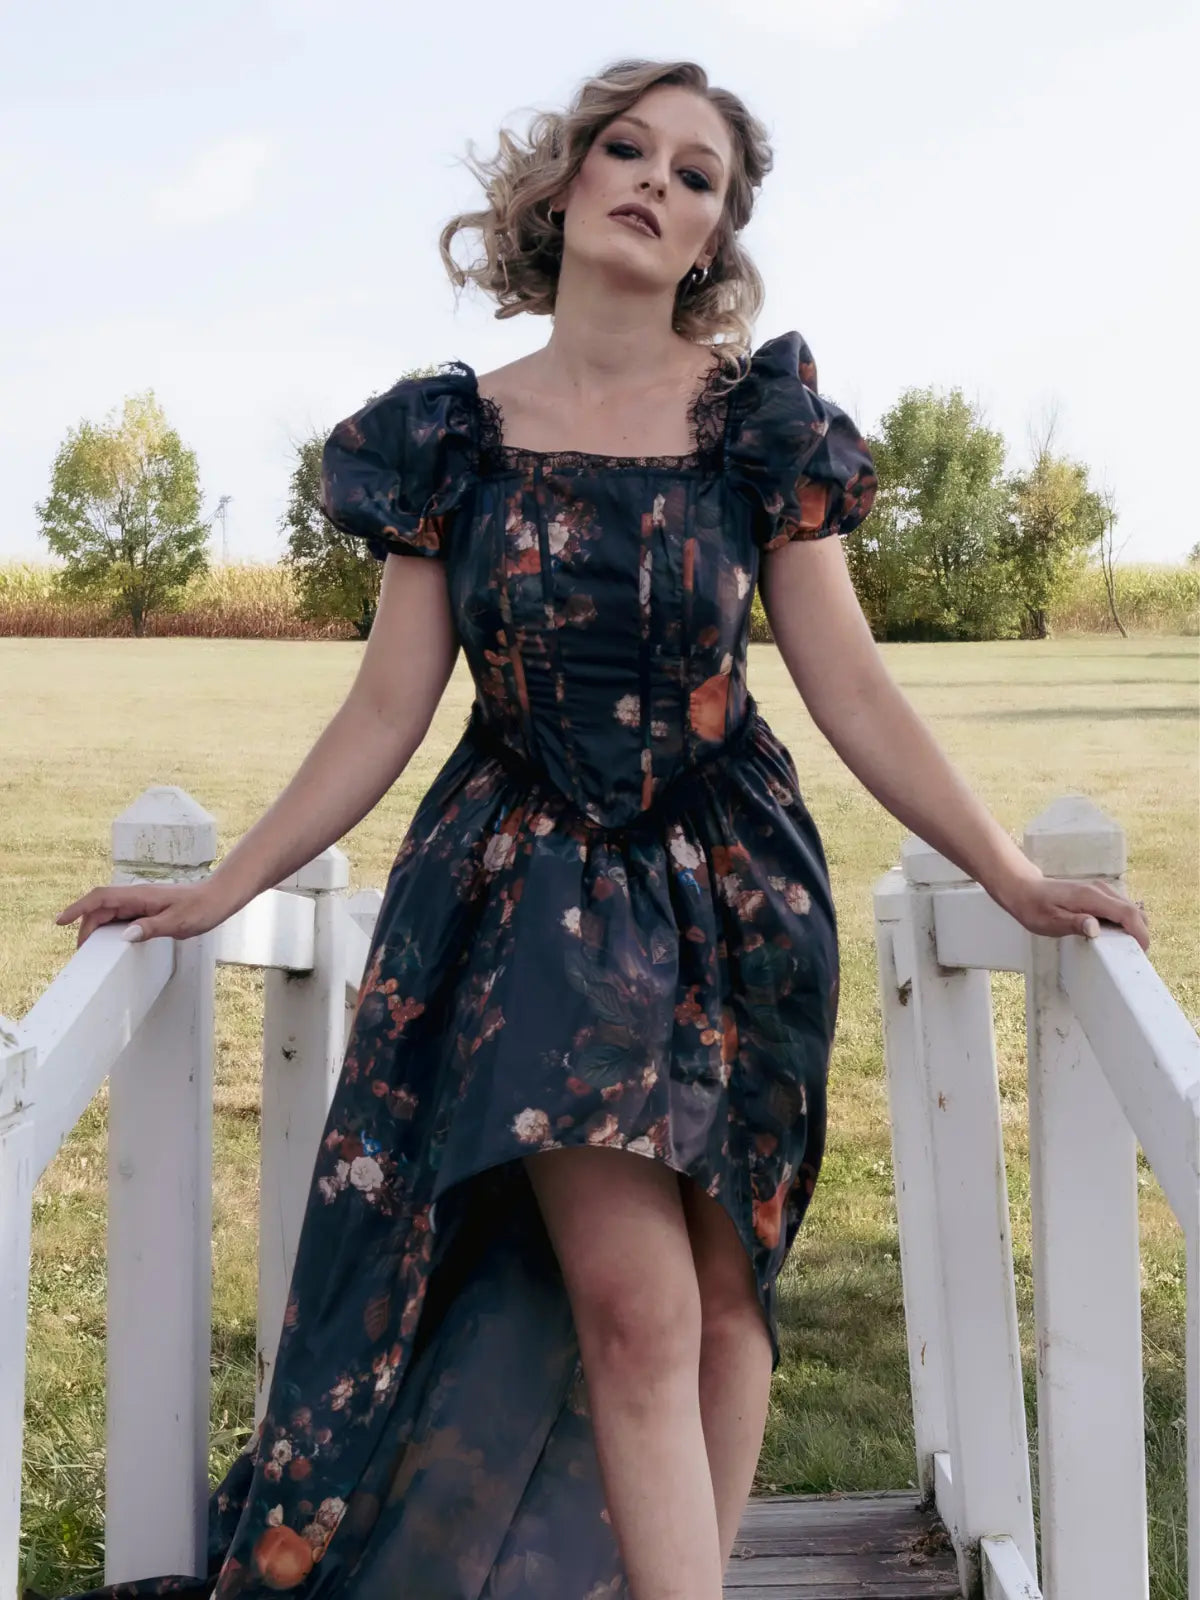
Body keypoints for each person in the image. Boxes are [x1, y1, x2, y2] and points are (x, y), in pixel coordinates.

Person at [50, 55, 1148, 1600]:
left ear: (715, 240)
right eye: (627, 149)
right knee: (635, 1305)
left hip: (738, 895)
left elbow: (849, 687)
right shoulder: (453, 438)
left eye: (697, 176)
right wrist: (220, 885)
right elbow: (384, 709)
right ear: (559, 188)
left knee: (722, 1292)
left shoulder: (758, 426)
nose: (655, 181)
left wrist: (1013, 875)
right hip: (525, 900)